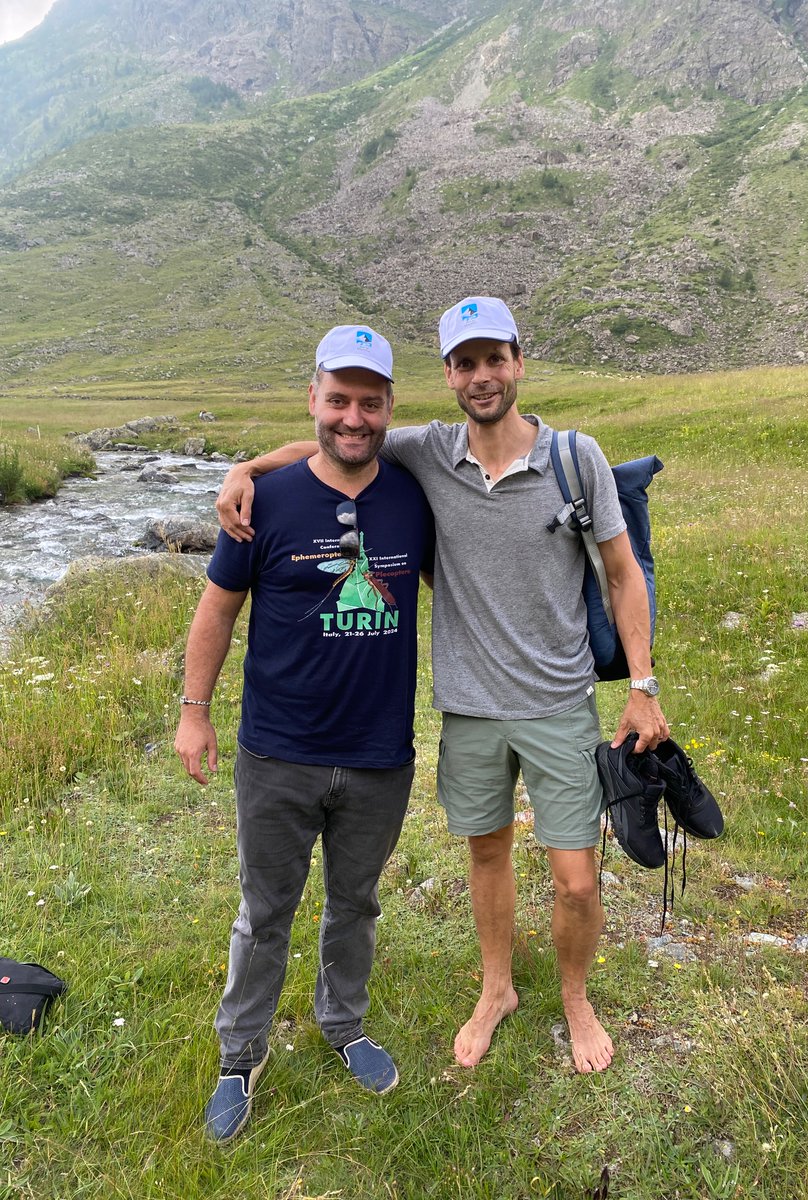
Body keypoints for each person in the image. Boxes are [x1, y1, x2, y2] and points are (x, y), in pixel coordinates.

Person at [215, 297, 669, 1075]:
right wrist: (248, 468)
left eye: (495, 358)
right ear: (449, 375)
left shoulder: (575, 457)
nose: (482, 375)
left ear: (519, 362)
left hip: (559, 703)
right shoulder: (426, 451)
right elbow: (340, 444)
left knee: (576, 880)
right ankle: (496, 991)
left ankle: (575, 995)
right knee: (486, 855)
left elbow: (623, 574)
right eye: (466, 362)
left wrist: (643, 683)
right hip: (468, 708)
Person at [175, 324, 434, 1142]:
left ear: (391, 407)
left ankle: (343, 1025)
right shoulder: (266, 502)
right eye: (338, 399)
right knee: (265, 911)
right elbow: (218, 606)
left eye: (370, 401)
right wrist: (193, 710)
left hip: (379, 754)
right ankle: (240, 1053)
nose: (353, 417)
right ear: (312, 399)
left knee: (354, 904)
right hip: (276, 750)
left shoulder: (413, 492)